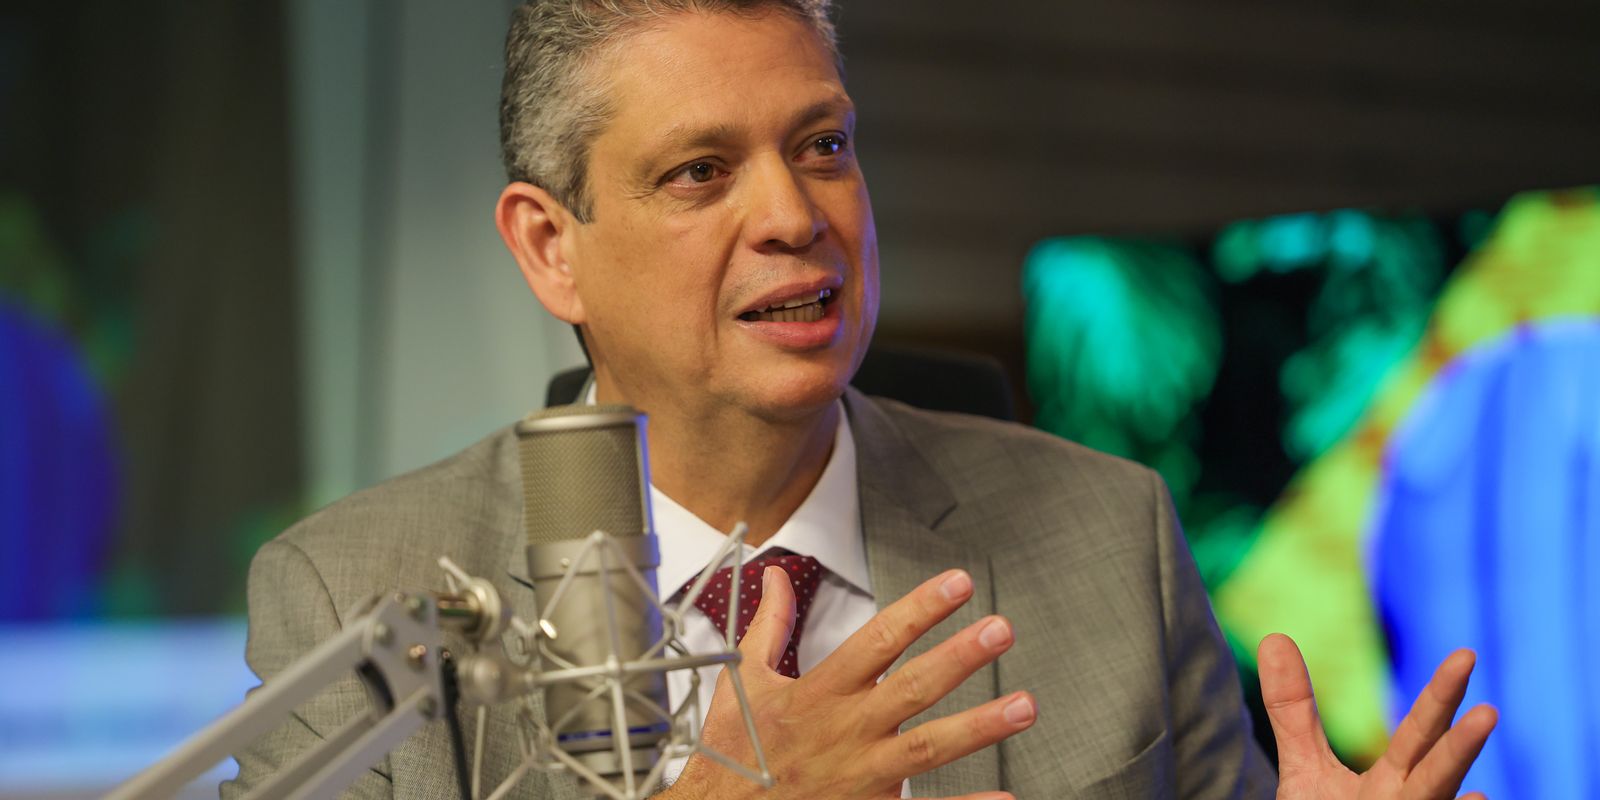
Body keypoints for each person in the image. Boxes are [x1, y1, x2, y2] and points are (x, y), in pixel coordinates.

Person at [225, 1, 1497, 798]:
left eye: (822, 145)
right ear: (552, 247)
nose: (795, 214)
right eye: (700, 170)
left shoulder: (1109, 533)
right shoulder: (358, 598)